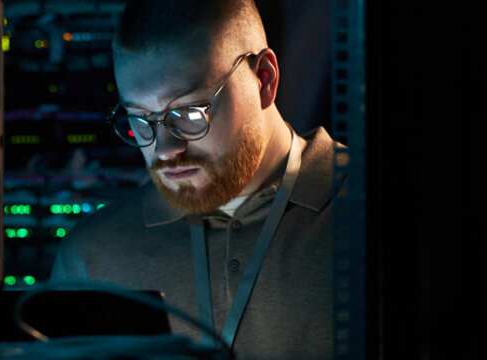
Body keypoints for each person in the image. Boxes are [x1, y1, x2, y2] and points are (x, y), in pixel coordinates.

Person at [50, 0, 346, 359]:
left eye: (189, 113)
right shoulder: (91, 256)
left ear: (264, 79)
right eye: (140, 120)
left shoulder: (375, 212)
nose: (165, 149)